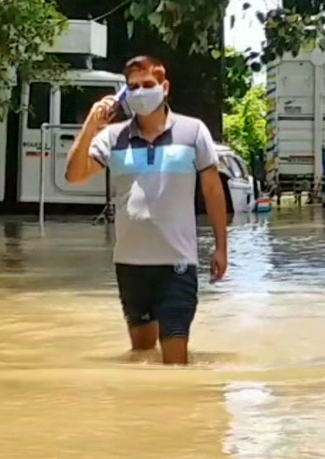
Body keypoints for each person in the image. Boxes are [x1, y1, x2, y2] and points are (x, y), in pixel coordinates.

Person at [65, 55, 228, 365]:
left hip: (177, 265)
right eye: (133, 87)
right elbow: (74, 175)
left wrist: (222, 248)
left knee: (175, 362)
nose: (140, 92)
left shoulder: (193, 132)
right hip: (130, 265)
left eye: (148, 85)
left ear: (164, 87)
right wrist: (90, 125)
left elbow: (212, 191)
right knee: (140, 358)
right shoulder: (113, 138)